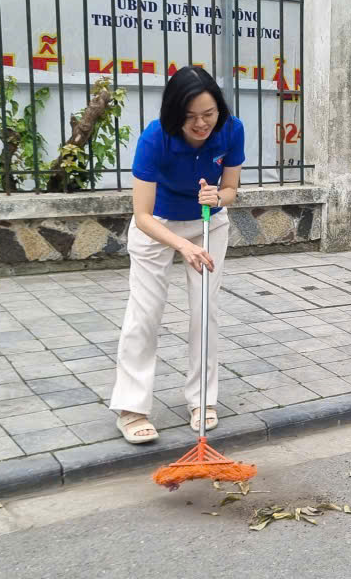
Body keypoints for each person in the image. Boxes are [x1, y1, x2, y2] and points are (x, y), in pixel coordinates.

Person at [109, 66, 244, 444]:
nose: (201, 124)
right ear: (174, 115)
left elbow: (232, 187)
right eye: (190, 118)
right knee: (145, 314)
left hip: (208, 222)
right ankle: (131, 407)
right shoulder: (156, 138)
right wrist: (182, 246)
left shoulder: (232, 129)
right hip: (159, 226)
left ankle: (204, 400)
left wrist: (219, 196)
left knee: (205, 310)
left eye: (208, 114)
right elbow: (142, 215)